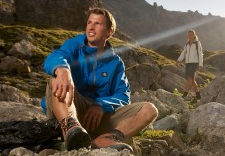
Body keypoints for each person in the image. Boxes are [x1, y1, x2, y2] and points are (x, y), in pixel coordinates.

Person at [41, 8, 158, 151]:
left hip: (97, 118)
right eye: (89, 22)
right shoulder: (75, 44)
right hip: (68, 107)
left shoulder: (115, 62)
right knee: (55, 80)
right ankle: (71, 131)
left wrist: (100, 105)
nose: (91, 26)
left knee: (150, 110)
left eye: (97, 23)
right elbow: (55, 56)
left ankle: (107, 139)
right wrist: (62, 69)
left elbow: (122, 96)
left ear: (109, 32)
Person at [176, 29, 204, 101]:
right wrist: (179, 60)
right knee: (192, 80)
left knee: (189, 78)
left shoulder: (197, 43)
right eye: (188, 35)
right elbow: (183, 53)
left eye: (191, 34)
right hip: (188, 63)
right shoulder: (187, 44)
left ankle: (185, 94)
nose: (190, 36)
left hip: (194, 63)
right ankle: (198, 95)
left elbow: (200, 54)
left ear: (194, 35)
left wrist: (200, 64)